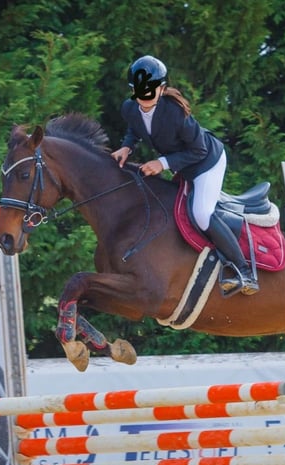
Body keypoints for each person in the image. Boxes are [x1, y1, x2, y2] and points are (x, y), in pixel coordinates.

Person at [111, 55, 259, 296]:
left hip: (206, 161)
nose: (144, 98)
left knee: (201, 214)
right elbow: (134, 127)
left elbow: (199, 149)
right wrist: (127, 146)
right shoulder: (129, 108)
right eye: (139, 92)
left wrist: (162, 163)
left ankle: (244, 271)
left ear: (162, 89)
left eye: (149, 91)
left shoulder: (175, 112)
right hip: (182, 164)